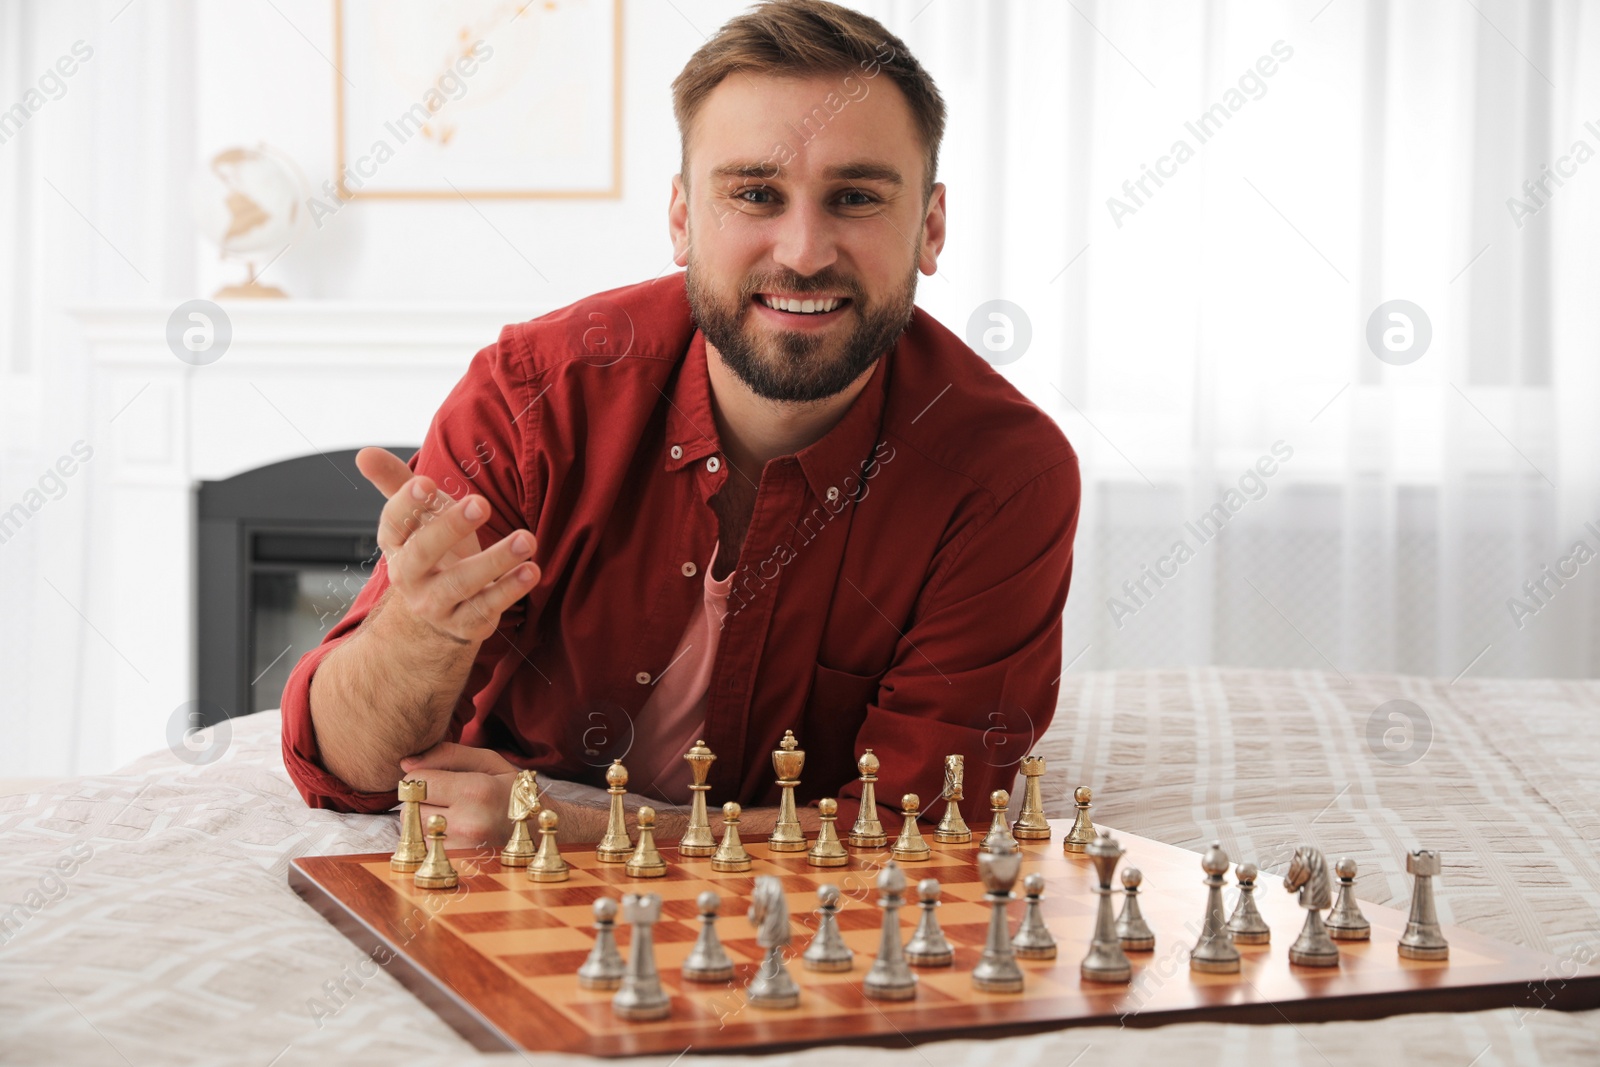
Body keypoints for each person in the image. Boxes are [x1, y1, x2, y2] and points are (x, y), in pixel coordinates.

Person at [280, 0, 1080, 849]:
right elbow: (344, 768)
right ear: (680, 219)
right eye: (754, 194)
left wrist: (587, 828)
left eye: (855, 197)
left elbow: (928, 828)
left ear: (931, 226)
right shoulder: (531, 397)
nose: (804, 251)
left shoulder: (1004, 478)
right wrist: (422, 630)